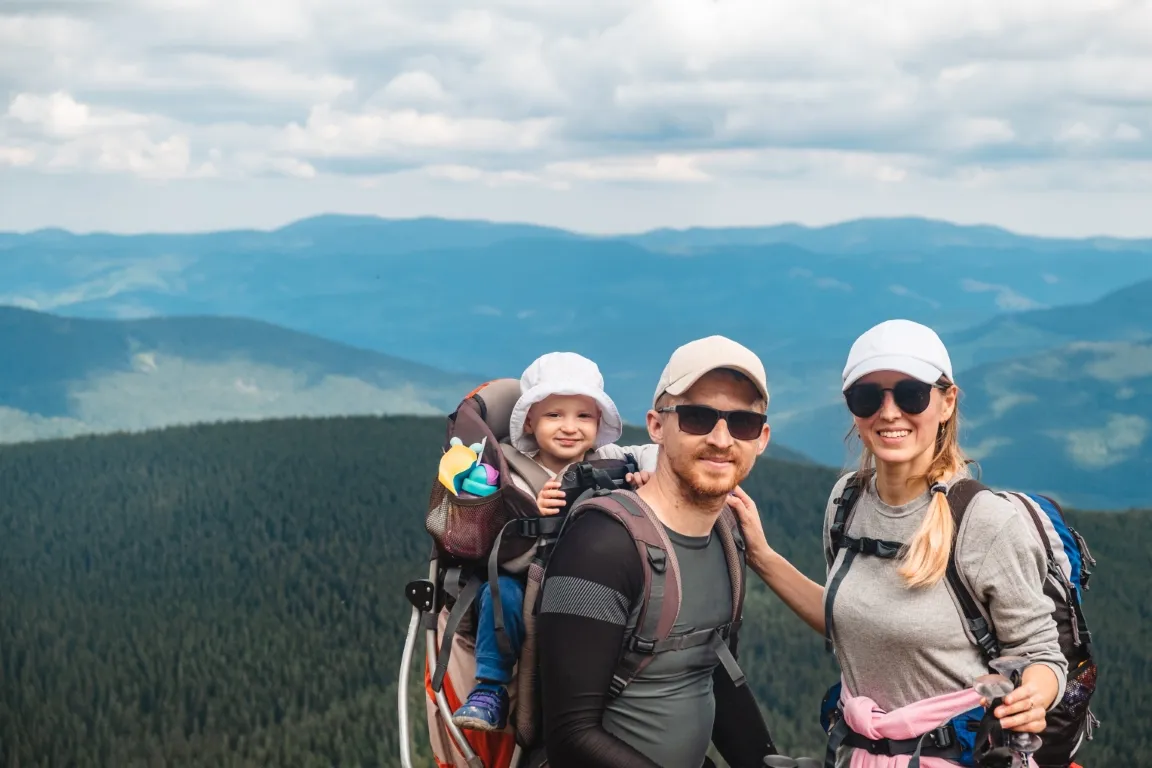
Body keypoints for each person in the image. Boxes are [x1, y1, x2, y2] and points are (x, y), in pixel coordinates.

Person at [729, 319, 1067, 766]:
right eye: (868, 397)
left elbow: (1043, 655)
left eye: (911, 394)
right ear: (853, 409)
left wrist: (1033, 697)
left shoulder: (984, 521)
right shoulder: (846, 501)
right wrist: (762, 556)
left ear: (947, 402)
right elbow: (850, 620)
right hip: (857, 753)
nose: (888, 412)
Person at [535, 336, 779, 768]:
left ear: (761, 438)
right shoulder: (601, 545)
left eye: (742, 423)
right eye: (697, 417)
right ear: (655, 425)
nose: (721, 439)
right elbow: (570, 735)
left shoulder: (726, 535)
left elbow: (713, 670)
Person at [452, 351, 658, 732]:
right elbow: (486, 531)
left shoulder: (610, 458)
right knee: (500, 596)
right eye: (553, 416)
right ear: (530, 420)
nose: (569, 427)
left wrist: (648, 477)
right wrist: (531, 512)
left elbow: (657, 455)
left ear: (600, 421)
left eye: (583, 416)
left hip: (594, 580)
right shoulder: (510, 465)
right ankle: (490, 688)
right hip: (526, 577)